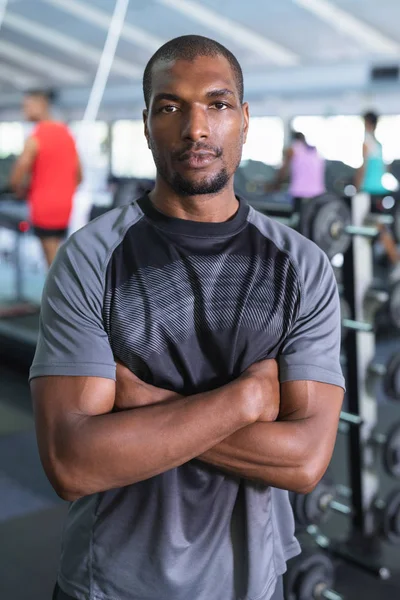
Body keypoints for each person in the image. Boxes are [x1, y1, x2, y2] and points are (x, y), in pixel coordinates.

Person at [30, 35, 345, 600]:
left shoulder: (303, 265)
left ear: (245, 120)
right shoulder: (91, 257)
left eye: (218, 104)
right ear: (147, 123)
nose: (196, 128)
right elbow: (73, 463)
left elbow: (304, 463)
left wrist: (148, 405)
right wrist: (245, 401)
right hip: (110, 586)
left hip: (251, 584)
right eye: (170, 106)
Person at [9, 89, 82, 267]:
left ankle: (59, 294)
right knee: (58, 252)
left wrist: (18, 189)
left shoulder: (36, 137)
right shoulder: (66, 133)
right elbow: (79, 175)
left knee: (51, 260)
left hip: (44, 206)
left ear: (42, 105)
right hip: (65, 205)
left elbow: (18, 174)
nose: (24, 111)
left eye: (27, 106)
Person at [355, 110, 400, 278]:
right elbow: (384, 168)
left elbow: (363, 168)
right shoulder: (379, 144)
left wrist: (356, 187)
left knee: (377, 227)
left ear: (367, 123)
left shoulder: (367, 142)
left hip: (369, 191)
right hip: (380, 190)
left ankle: (395, 259)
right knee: (378, 226)